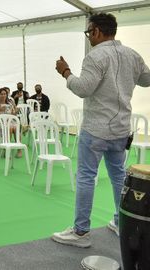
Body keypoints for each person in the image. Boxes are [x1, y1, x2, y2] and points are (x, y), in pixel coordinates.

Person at [52, 13, 150, 248]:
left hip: (96, 129)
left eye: (88, 33)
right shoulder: (132, 55)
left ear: (96, 31)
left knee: (86, 177)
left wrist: (66, 72)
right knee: (118, 176)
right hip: (121, 130)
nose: (88, 38)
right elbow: (147, 80)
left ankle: (81, 232)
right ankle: (120, 222)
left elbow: (83, 88)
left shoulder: (95, 56)